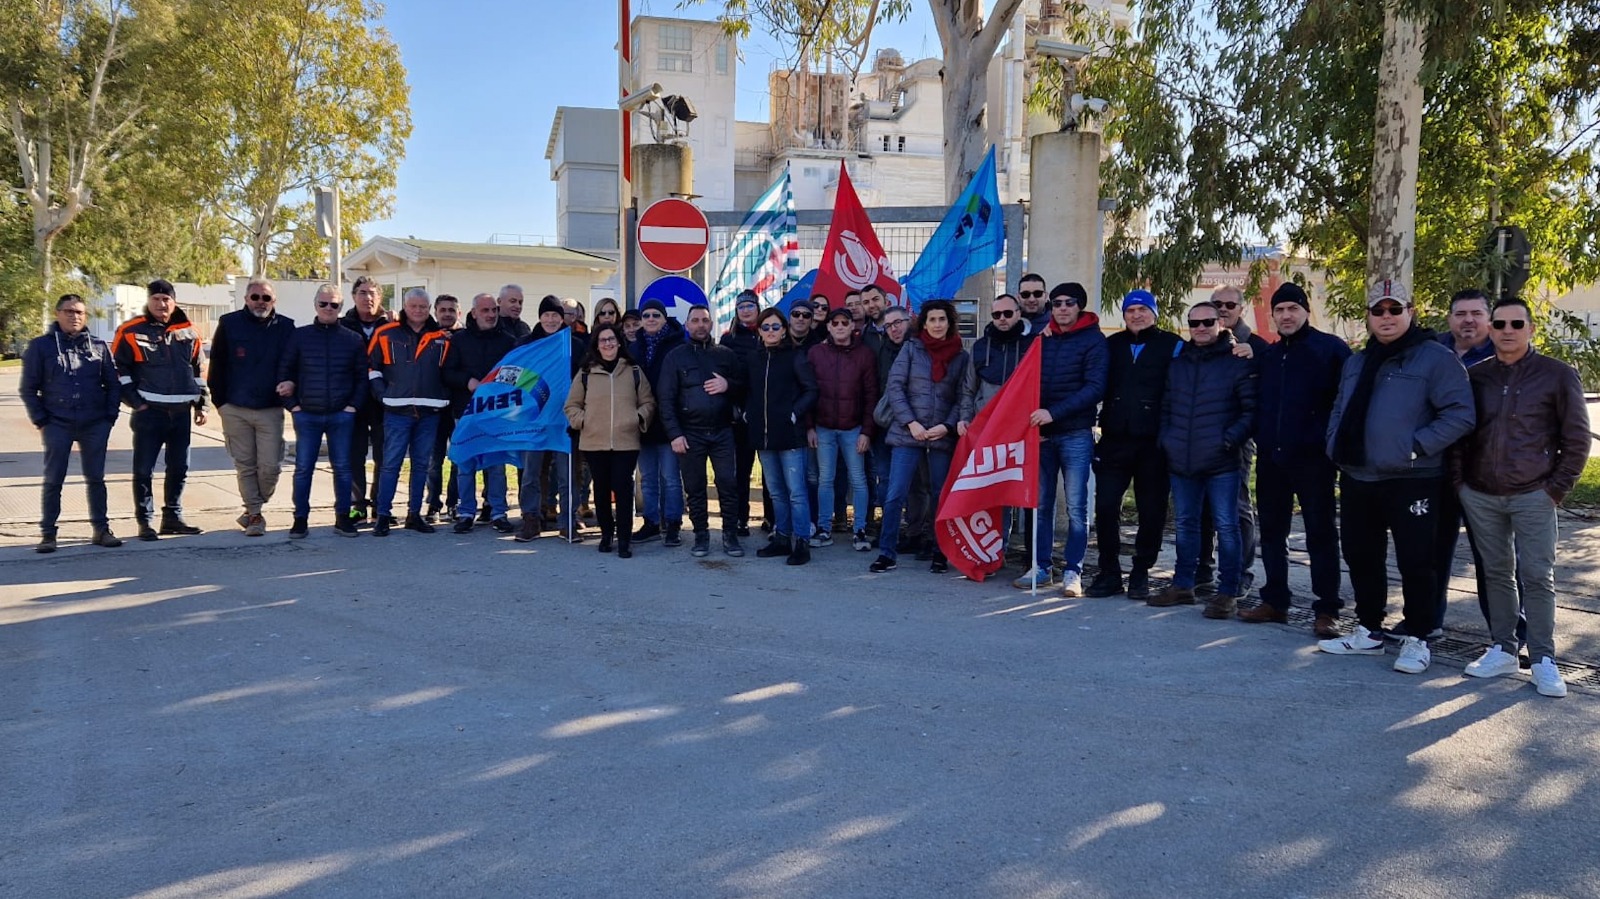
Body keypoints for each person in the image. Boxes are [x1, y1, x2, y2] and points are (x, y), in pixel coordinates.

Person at [1318, 280, 1475, 675]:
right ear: (1369, 317)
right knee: (1360, 555)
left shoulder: (1435, 359)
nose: (1386, 317)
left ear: (1411, 312)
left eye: (1394, 309)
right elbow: (1340, 407)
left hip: (1412, 478)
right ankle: (1369, 631)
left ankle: (1418, 637)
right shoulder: (1357, 362)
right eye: (1378, 310)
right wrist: (1335, 444)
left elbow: (1460, 414)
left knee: (1417, 561)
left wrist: (1415, 446)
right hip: (1359, 476)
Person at [1455, 298, 1590, 698]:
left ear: (1531, 328)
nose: (1508, 330)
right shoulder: (1475, 377)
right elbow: (1461, 434)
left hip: (1534, 494)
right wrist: (1460, 483)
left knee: (1536, 575)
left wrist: (1556, 489)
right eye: (1500, 323)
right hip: (1481, 494)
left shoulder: (1557, 375)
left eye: (1517, 323)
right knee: (1496, 573)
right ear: (1491, 329)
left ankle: (1544, 658)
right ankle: (1502, 648)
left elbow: (1577, 438)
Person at [1239, 282, 1351, 636]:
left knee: (1320, 534)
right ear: (1272, 317)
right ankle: (1275, 601)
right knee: (1272, 532)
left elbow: (1344, 404)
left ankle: (1327, 609)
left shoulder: (1331, 350)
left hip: (1315, 460)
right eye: (1280, 310)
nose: (1286, 316)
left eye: (1293, 309)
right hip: (1272, 458)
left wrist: (1328, 444)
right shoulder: (1269, 356)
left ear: (1306, 312)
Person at [1148, 301, 1258, 617]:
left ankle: (1227, 592)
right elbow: (1166, 407)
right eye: (1194, 323)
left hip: (1222, 461)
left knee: (1227, 525)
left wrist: (1227, 440)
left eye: (1207, 322)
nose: (1200, 328)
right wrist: (1167, 440)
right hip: (1182, 459)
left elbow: (1250, 412)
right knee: (1185, 524)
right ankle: (1183, 585)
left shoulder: (1238, 361)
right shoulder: (1179, 363)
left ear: (1220, 323)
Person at [1083, 289, 1181, 599]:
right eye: (1130, 310)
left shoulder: (1173, 345)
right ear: (1123, 315)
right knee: (1106, 507)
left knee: (1151, 511)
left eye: (1142, 309)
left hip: (1154, 445)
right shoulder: (1111, 346)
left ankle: (1141, 571)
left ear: (1154, 313)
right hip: (1114, 441)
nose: (1136, 315)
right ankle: (1109, 571)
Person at [1014, 282, 1108, 595]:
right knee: (1040, 505)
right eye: (1056, 303)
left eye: (1069, 302)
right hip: (1042, 435)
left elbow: (1095, 388)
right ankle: (1041, 567)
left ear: (1079, 305)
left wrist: (1053, 413)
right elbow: (1026, 381)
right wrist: (1035, 422)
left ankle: (1073, 571)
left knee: (1077, 507)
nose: (1062, 308)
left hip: (1075, 434)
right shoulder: (1043, 339)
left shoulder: (1094, 341)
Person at [872, 300, 970, 574]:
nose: (937, 324)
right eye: (932, 319)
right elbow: (895, 387)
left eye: (942, 319)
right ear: (923, 323)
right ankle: (887, 553)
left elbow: (962, 397)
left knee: (941, 495)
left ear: (949, 322)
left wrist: (948, 426)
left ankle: (940, 553)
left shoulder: (961, 357)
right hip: (907, 434)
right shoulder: (912, 348)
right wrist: (910, 422)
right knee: (895, 493)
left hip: (940, 435)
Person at [23, 293, 123, 551]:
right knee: (54, 478)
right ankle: (48, 534)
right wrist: (41, 420)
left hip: (94, 423)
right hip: (57, 422)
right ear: (58, 314)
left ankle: (101, 530)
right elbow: (28, 388)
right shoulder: (41, 347)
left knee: (96, 478)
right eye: (68, 311)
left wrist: (109, 417)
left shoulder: (98, 346)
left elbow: (113, 384)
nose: (74, 316)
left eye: (79, 312)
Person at [113, 279, 209, 541]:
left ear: (174, 301)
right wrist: (135, 401)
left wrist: (202, 404)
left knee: (179, 468)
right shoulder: (130, 330)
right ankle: (145, 522)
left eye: (166, 299)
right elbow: (118, 368)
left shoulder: (190, 332)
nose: (161, 303)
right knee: (144, 469)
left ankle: (172, 518)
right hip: (149, 412)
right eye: (156, 298)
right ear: (148, 301)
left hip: (181, 413)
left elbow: (198, 370)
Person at [1430, 288, 1499, 640]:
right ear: (1449, 318)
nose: (1468, 320)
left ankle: (1506, 632)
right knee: (1431, 552)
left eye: (1476, 313)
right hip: (1436, 469)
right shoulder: (1432, 352)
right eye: (1460, 313)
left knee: (1492, 558)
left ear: (1488, 318)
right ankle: (1427, 620)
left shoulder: (1504, 355)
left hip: (1482, 472)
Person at [275, 283, 366, 538]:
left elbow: (362, 378)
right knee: (304, 468)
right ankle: (300, 518)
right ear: (315, 305)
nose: (328, 308)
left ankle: (343, 518)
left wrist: (352, 407)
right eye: (324, 303)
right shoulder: (299, 336)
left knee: (343, 468)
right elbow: (284, 371)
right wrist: (293, 406)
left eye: (334, 304)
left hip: (341, 415)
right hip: (308, 415)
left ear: (341, 307)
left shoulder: (352, 339)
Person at [208, 278, 295, 537]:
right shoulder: (229, 323)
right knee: (245, 464)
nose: (260, 302)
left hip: (270, 409)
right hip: (234, 408)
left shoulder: (287, 327)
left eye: (266, 298)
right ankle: (255, 514)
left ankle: (253, 507)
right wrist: (220, 403)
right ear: (246, 299)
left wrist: (291, 386)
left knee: (270, 466)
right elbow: (217, 365)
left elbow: (293, 364)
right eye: (255, 297)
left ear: (274, 301)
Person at [660, 303, 746, 557]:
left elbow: (743, 388)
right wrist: (675, 434)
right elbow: (666, 399)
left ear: (711, 324)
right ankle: (701, 536)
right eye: (695, 320)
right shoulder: (675, 357)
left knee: (728, 484)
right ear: (687, 325)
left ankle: (730, 535)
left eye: (704, 320)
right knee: (695, 486)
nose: (700, 325)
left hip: (722, 431)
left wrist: (727, 384)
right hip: (690, 433)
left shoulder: (725, 354)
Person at [1196, 284, 1267, 593]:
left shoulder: (1257, 346)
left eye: (1229, 304)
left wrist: (1234, 435)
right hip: (1199, 439)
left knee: (1236, 509)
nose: (1222, 309)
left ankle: (1241, 573)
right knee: (1202, 509)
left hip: (1236, 439)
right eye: (1216, 304)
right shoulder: (1200, 343)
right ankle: (1203, 570)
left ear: (1241, 309)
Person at [566, 323, 656, 558]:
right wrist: (584, 421)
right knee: (602, 489)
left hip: (626, 441)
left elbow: (648, 402)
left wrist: (637, 418)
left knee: (624, 489)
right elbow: (571, 405)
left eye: (611, 339)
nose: (607, 344)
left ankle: (625, 538)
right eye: (603, 340)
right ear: (596, 344)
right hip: (594, 442)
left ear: (619, 342)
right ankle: (607, 534)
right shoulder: (586, 372)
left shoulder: (633, 370)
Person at [368, 287, 451, 536]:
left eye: (423, 307)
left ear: (429, 309)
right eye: (413, 306)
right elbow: (371, 368)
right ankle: (383, 515)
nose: (418, 311)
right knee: (391, 464)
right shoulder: (385, 333)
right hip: (396, 411)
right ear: (405, 306)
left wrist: (441, 396)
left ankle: (414, 515)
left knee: (421, 465)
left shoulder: (443, 338)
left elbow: (449, 371)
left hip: (429, 411)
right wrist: (383, 394)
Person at [959, 292, 1035, 563]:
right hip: (986, 430)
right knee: (991, 492)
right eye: (996, 314)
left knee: (1021, 490)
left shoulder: (1033, 345)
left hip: (1021, 432)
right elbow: (968, 389)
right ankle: (994, 551)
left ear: (1018, 314)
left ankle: (1033, 555)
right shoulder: (979, 347)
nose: (1002, 319)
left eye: (1008, 313)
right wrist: (965, 418)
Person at [746, 307, 819, 564]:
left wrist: (794, 413)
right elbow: (746, 391)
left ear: (784, 330)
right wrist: (747, 413)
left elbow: (811, 390)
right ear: (759, 331)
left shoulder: (795, 357)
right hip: (764, 437)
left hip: (790, 437)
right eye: (765, 327)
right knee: (776, 491)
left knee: (796, 492)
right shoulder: (753, 358)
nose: (770, 332)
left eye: (775, 327)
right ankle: (781, 537)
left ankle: (801, 542)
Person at [443, 293, 517, 535]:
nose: (491, 315)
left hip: (496, 412)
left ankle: (498, 512)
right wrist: (468, 381)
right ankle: (465, 512)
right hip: (465, 412)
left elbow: (516, 374)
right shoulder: (459, 340)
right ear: (473, 313)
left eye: (494, 310)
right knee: (465, 464)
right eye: (485, 310)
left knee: (496, 465)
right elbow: (447, 373)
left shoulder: (508, 341)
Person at [514, 296, 587, 542]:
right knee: (531, 473)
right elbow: (516, 375)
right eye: (547, 315)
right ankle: (531, 519)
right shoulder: (527, 344)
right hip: (534, 419)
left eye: (555, 315)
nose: (551, 319)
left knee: (567, 473)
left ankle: (568, 521)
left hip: (564, 420)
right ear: (540, 316)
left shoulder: (574, 345)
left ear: (561, 318)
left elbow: (583, 376)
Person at [810, 307, 879, 552]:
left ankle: (859, 529)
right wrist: (810, 427)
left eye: (844, 322)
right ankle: (823, 528)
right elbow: (809, 392)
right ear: (828, 326)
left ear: (853, 326)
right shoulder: (816, 353)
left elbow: (872, 395)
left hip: (854, 428)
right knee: (825, 479)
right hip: (824, 427)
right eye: (835, 322)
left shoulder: (865, 355)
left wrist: (867, 432)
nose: (840, 326)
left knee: (858, 480)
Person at [629, 298, 686, 546]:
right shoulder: (634, 347)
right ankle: (651, 522)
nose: (651, 319)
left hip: (670, 421)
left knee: (671, 477)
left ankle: (673, 522)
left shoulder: (677, 345)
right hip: (643, 422)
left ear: (664, 318)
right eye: (646, 315)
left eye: (656, 315)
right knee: (648, 477)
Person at [340, 276, 391, 525]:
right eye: (362, 292)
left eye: (372, 293)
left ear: (380, 298)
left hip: (384, 402)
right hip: (354, 400)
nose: (367, 297)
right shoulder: (343, 325)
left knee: (384, 456)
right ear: (353, 296)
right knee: (355, 455)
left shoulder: (392, 325)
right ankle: (357, 507)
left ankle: (381, 506)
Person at [864, 305, 912, 542]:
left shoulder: (919, 348)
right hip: (884, 424)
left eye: (898, 323)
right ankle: (889, 528)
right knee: (884, 477)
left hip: (912, 425)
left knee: (913, 482)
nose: (894, 329)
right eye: (888, 326)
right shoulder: (882, 350)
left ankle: (913, 530)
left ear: (909, 320)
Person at [720, 289, 764, 536]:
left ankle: (772, 518)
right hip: (738, 414)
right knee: (741, 470)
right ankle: (740, 518)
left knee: (769, 472)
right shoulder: (728, 339)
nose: (746, 310)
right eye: (741, 307)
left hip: (765, 412)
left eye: (750, 306)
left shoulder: (768, 334)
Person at [424, 294, 463, 521]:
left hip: (458, 407)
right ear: (436, 312)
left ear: (458, 313)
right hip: (434, 409)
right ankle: (433, 503)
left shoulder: (466, 338)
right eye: (443, 310)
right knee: (433, 460)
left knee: (458, 458)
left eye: (451, 309)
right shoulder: (427, 337)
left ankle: (454, 502)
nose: (447, 314)